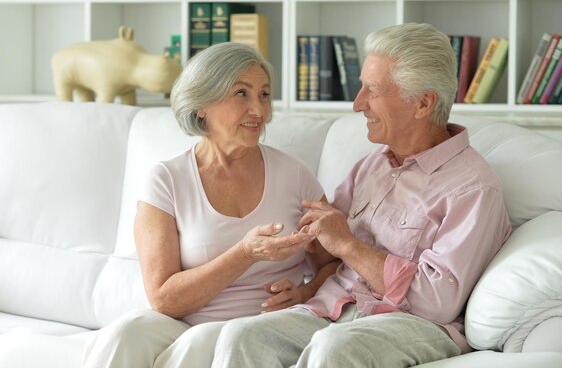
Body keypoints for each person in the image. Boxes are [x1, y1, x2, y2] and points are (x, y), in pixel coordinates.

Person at [211, 23, 513, 368]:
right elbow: (329, 251)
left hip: (412, 322)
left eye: (372, 90)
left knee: (334, 347)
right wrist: (304, 240)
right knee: (243, 335)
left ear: (423, 103)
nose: (358, 104)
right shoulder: (372, 165)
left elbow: (435, 301)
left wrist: (348, 245)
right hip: (334, 308)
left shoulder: (472, 188)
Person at [82, 42, 339, 368]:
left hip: (261, 327)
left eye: (264, 94)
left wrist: (304, 293)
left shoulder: (295, 174)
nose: (259, 111)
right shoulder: (166, 180)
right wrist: (245, 253)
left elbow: (334, 266)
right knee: (125, 333)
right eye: (241, 94)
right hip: (180, 320)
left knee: (201, 341)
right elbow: (163, 299)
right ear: (201, 103)